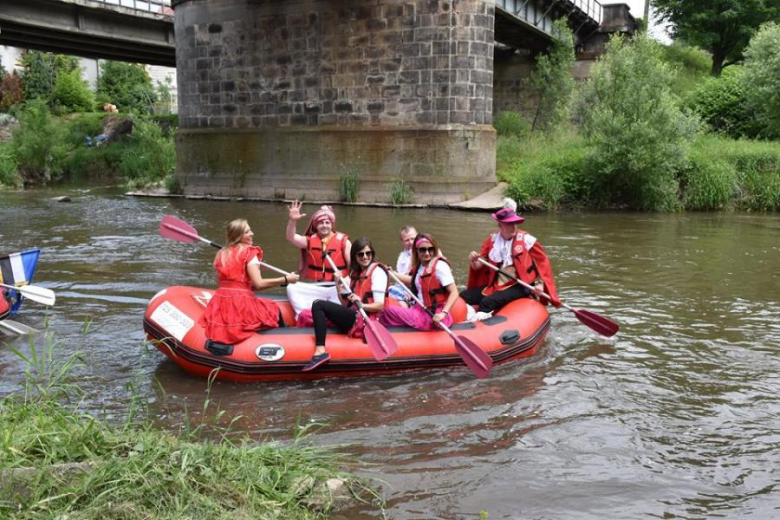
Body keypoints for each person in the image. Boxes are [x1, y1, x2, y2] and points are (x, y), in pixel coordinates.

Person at [199, 219, 300, 344]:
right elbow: (259, 284)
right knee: (273, 308)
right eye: (247, 232)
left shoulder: (221, 254)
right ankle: (284, 336)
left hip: (220, 301)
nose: (252, 233)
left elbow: (237, 286)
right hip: (240, 304)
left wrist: (280, 282)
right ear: (238, 236)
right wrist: (286, 279)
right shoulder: (250, 253)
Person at [299, 237, 389, 371]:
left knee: (318, 304)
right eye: (361, 254)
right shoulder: (356, 273)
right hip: (356, 314)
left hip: (365, 320)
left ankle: (320, 351)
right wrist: (337, 284)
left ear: (372, 254)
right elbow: (345, 303)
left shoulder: (378, 272)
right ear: (355, 256)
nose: (365, 257)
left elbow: (379, 305)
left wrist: (361, 304)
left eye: (368, 253)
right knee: (306, 313)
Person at [462, 198, 561, 321]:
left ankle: (476, 327)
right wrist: (473, 260)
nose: (513, 226)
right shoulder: (492, 240)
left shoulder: (527, 240)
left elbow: (543, 264)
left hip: (520, 286)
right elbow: (478, 266)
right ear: (500, 225)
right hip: (495, 285)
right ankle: (462, 321)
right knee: (464, 296)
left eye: (514, 222)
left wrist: (540, 285)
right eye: (509, 223)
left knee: (487, 302)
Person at [285, 201, 352, 317]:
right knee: (291, 287)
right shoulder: (310, 240)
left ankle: (336, 312)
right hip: (317, 286)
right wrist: (292, 220)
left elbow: (353, 266)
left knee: (349, 283)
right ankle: (303, 315)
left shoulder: (344, 241)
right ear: (316, 225)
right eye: (321, 223)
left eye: (327, 222)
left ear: (332, 225)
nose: (324, 225)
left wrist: (347, 279)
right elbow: (290, 237)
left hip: (337, 287)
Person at [379, 233, 459, 331]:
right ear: (416, 251)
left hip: (432, 316)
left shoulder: (440, 267)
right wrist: (392, 272)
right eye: (422, 250)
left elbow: (454, 292)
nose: (427, 253)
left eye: (430, 249)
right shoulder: (420, 266)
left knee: (384, 309)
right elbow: (415, 281)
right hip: (419, 309)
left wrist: (444, 313)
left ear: (434, 249)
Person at [387, 225, 417, 307]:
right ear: (402, 242)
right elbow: (402, 279)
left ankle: (403, 313)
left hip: (415, 290)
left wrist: (393, 273)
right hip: (403, 287)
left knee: (399, 300)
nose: (411, 242)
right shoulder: (402, 256)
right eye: (407, 240)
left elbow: (413, 281)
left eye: (413, 239)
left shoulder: (421, 254)